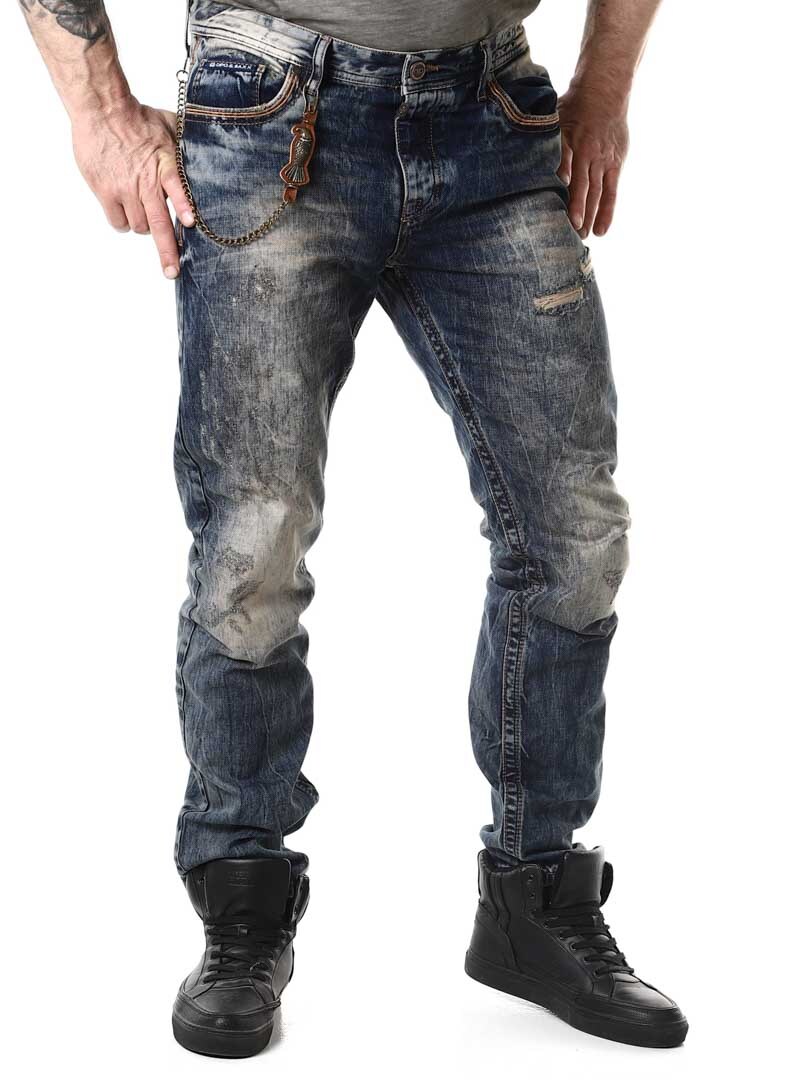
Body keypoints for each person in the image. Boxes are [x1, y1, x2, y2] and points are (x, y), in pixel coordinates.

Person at [20, 0, 688, 1057]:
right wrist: (97, 108)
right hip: (272, 109)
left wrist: (603, 88)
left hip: (493, 119)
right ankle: (242, 901)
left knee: (574, 530)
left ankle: (535, 898)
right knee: (255, 543)